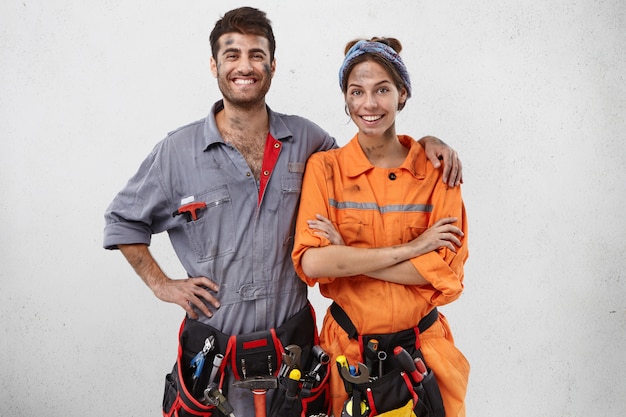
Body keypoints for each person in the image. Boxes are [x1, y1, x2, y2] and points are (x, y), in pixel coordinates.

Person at [103, 7, 462, 417]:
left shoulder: (307, 141)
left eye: (257, 55)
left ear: (272, 66)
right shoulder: (176, 153)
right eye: (232, 54)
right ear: (213, 65)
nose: (244, 66)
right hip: (215, 358)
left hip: (294, 355)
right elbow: (122, 221)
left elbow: (371, 147)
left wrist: (427, 143)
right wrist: (162, 285)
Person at [292, 37, 470, 417]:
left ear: (402, 95)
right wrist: (412, 249)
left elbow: (447, 274)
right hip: (349, 356)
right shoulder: (326, 170)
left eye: (382, 90)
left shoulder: (438, 170)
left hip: (423, 354)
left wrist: (347, 257)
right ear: (346, 99)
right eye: (357, 92)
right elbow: (312, 264)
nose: (369, 104)